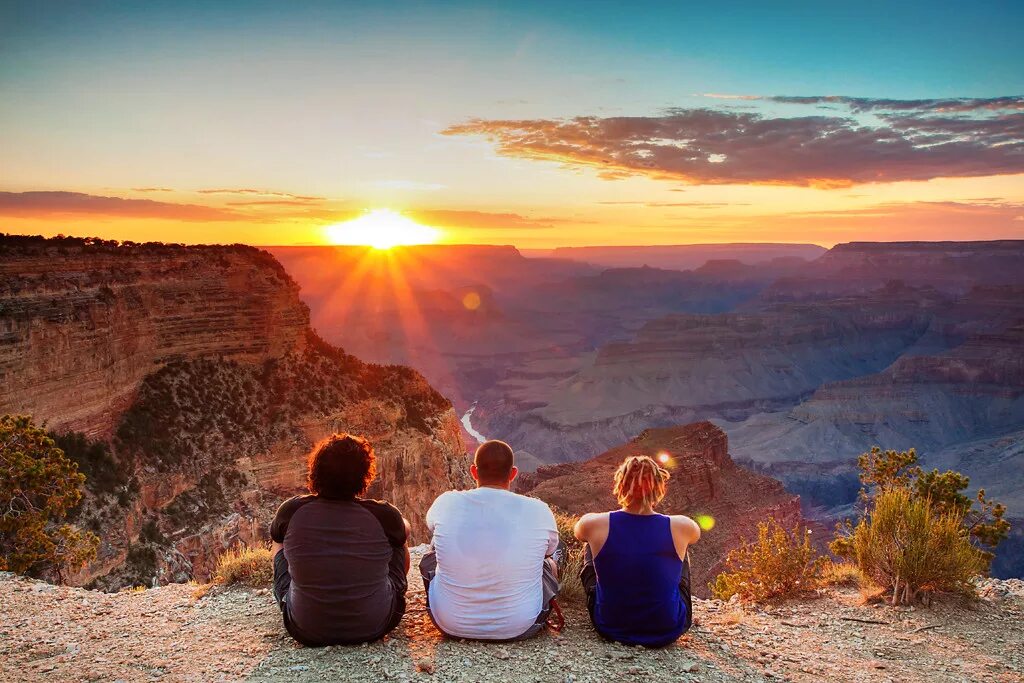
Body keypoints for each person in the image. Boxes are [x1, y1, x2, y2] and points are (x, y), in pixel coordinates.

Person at [270, 433, 410, 646]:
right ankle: (377, 594)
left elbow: (278, 537)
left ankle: (302, 597)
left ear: (316, 472)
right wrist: (401, 522)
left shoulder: (291, 510)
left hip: (305, 629)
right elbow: (403, 532)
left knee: (279, 541)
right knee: (399, 542)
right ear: (364, 475)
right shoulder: (384, 515)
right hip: (376, 625)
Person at [420, 439, 564, 641]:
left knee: (431, 555)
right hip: (520, 625)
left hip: (449, 623)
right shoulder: (538, 509)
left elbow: (432, 528)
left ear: (473, 472)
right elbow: (548, 551)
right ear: (513, 473)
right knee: (551, 558)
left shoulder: (446, 501)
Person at [574, 454, 701, 648]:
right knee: (680, 550)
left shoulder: (593, 523)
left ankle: (614, 603)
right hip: (667, 629)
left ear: (620, 484)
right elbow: (695, 537)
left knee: (590, 544)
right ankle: (662, 606)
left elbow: (579, 534)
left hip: (610, 626)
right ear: (659, 487)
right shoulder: (682, 526)